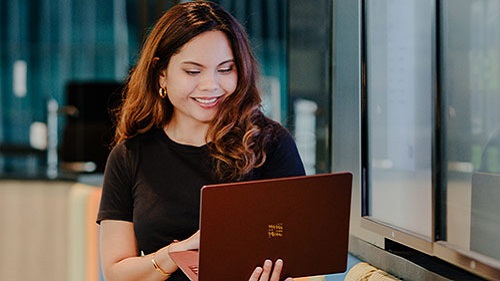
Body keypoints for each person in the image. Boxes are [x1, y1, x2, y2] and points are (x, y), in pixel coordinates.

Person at [97, 1, 305, 280]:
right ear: (161, 74)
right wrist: (173, 255)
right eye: (193, 71)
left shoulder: (270, 143)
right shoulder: (129, 156)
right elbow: (115, 273)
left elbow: (300, 256)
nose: (211, 85)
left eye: (226, 69)